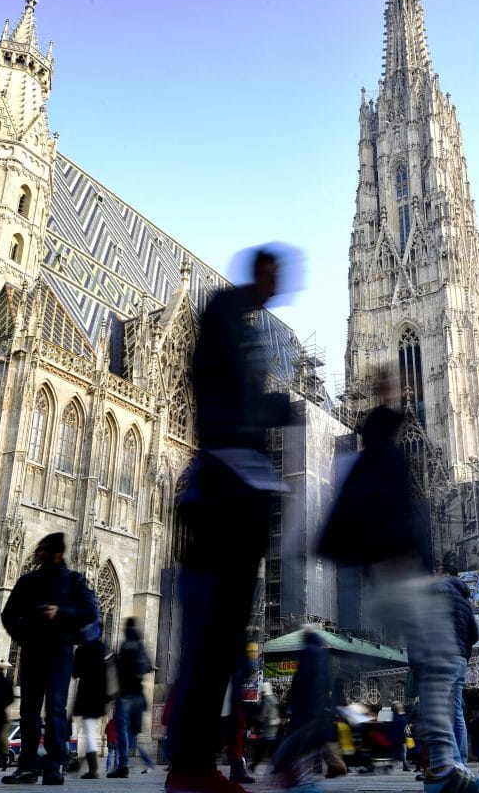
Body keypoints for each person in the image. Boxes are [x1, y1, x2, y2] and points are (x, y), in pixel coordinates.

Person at [317, 365, 479, 793]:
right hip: (396, 573)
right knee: (437, 674)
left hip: (396, 573)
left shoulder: (388, 450)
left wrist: (390, 405)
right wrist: (387, 404)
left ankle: (443, 768)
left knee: (435, 675)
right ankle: (443, 769)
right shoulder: (381, 454)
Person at [166, 247, 293, 793]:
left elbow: (241, 406)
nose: (279, 285)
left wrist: (277, 412)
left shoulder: (252, 330)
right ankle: (190, 765)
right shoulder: (223, 316)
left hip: (240, 496)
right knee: (213, 635)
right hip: (221, 492)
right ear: (259, 274)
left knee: (221, 636)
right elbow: (212, 399)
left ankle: (196, 764)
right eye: (274, 274)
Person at [0, 531, 100, 785]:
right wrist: (23, 632)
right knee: (29, 711)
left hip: (60, 652)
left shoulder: (72, 580)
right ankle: (27, 767)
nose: (39, 553)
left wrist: (61, 612)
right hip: (32, 651)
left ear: (56, 553)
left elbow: (90, 611)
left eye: (44, 549)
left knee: (55, 709)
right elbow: (8, 615)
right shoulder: (28, 581)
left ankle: (54, 767)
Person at [269, 627, 335, 791]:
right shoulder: (323, 655)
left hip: (304, 708)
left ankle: (297, 782)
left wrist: (291, 704)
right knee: (309, 746)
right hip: (318, 709)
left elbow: (300, 680)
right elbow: (326, 685)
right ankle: (306, 781)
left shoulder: (308, 652)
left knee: (295, 745)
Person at [437, 555, 478, 767]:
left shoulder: (442, 592)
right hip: (460, 658)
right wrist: (465, 654)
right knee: (457, 712)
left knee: (441, 710)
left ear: (445, 574)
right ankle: (461, 760)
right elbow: (475, 634)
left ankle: (452, 762)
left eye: (437, 572)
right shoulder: (464, 599)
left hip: (444, 656)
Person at [109, 617, 156, 778]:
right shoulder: (140, 645)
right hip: (138, 695)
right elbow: (149, 666)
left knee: (122, 730)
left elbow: (119, 669)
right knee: (133, 732)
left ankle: (123, 765)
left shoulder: (125, 645)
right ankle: (146, 761)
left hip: (125, 695)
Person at [71, 636, 110, 779]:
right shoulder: (102, 650)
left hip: (87, 694)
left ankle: (91, 767)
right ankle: (83, 762)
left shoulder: (82, 650)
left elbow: (75, 673)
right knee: (89, 729)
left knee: (88, 730)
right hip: (100, 697)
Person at [248, 682, 281, 772]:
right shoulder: (273, 698)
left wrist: (258, 719)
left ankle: (254, 764)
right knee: (270, 747)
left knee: (265, 746)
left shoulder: (266, 699)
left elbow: (265, 712)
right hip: (274, 725)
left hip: (268, 726)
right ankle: (255, 764)